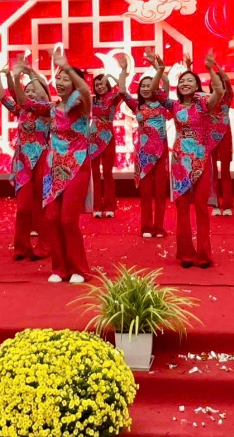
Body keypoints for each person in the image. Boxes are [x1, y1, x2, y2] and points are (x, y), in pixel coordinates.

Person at [36, 46, 92, 284]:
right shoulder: (51, 108)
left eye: (65, 78)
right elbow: (22, 102)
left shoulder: (82, 106)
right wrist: (16, 75)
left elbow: (85, 90)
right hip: (53, 168)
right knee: (52, 219)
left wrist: (67, 66)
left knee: (68, 220)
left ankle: (80, 269)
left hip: (77, 166)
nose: (60, 82)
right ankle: (60, 269)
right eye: (58, 78)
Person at [171, 51, 227, 268]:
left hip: (201, 160)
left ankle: (204, 254)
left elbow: (219, 91)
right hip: (179, 161)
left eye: (190, 81)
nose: (185, 84)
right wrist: (159, 70)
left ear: (197, 86)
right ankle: (185, 253)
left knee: (202, 208)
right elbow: (155, 92)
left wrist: (210, 68)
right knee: (182, 209)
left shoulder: (204, 104)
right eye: (182, 81)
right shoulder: (173, 105)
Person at [0, 58, 51, 261]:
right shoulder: (21, 110)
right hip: (22, 162)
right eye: (27, 91)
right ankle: (21, 247)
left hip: (42, 159)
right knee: (23, 207)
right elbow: (4, 96)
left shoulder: (48, 109)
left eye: (34, 90)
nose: (30, 93)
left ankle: (44, 247)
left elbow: (41, 93)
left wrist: (31, 73)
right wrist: (1, 76)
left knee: (42, 206)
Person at [123, 51, 175, 239]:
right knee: (145, 194)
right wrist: (122, 71)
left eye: (149, 85)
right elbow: (122, 91)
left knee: (160, 193)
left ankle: (159, 227)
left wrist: (158, 66)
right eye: (143, 86)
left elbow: (166, 82)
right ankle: (145, 227)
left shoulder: (163, 104)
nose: (146, 88)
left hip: (161, 154)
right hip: (143, 155)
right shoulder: (136, 106)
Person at [89, 54, 130, 219]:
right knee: (94, 174)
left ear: (107, 85)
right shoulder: (92, 100)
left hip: (108, 137)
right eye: (96, 85)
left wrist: (121, 72)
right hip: (92, 138)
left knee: (107, 174)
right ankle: (96, 206)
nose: (99, 87)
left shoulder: (113, 98)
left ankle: (109, 206)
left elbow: (123, 90)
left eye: (102, 84)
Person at [207, 58, 234, 217]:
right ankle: (215, 205)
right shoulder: (206, 99)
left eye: (219, 81)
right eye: (213, 81)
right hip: (209, 137)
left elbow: (227, 81)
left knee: (225, 172)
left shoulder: (227, 97)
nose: (216, 83)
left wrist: (217, 66)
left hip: (225, 136)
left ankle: (228, 205)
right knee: (212, 173)